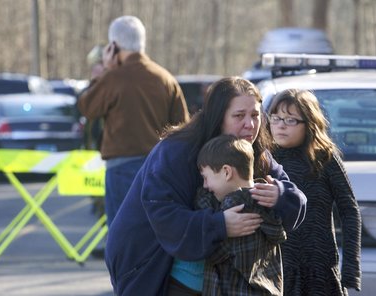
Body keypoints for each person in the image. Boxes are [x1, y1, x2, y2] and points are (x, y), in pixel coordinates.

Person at [105, 76, 307, 295]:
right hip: (148, 264)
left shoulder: (254, 151)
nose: (250, 124)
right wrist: (219, 225)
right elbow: (163, 213)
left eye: (255, 115)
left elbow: (296, 200)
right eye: (239, 115)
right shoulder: (176, 151)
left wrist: (281, 195)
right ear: (218, 117)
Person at [78, 15, 189, 225]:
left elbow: (87, 107)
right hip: (160, 168)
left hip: (121, 168)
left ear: (113, 46)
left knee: (122, 235)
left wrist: (104, 74)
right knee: (155, 232)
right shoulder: (165, 78)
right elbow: (183, 127)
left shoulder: (113, 78)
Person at [267, 89, 361, 295]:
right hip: (278, 271)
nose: (281, 125)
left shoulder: (325, 158)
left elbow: (349, 210)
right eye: (276, 118)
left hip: (320, 269)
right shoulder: (265, 159)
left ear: (309, 124)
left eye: (291, 120)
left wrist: (351, 267)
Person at [191, 134, 286, 295]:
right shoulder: (265, 203)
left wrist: (203, 206)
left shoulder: (236, 207)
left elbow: (212, 252)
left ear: (227, 172)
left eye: (206, 178)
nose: (205, 186)